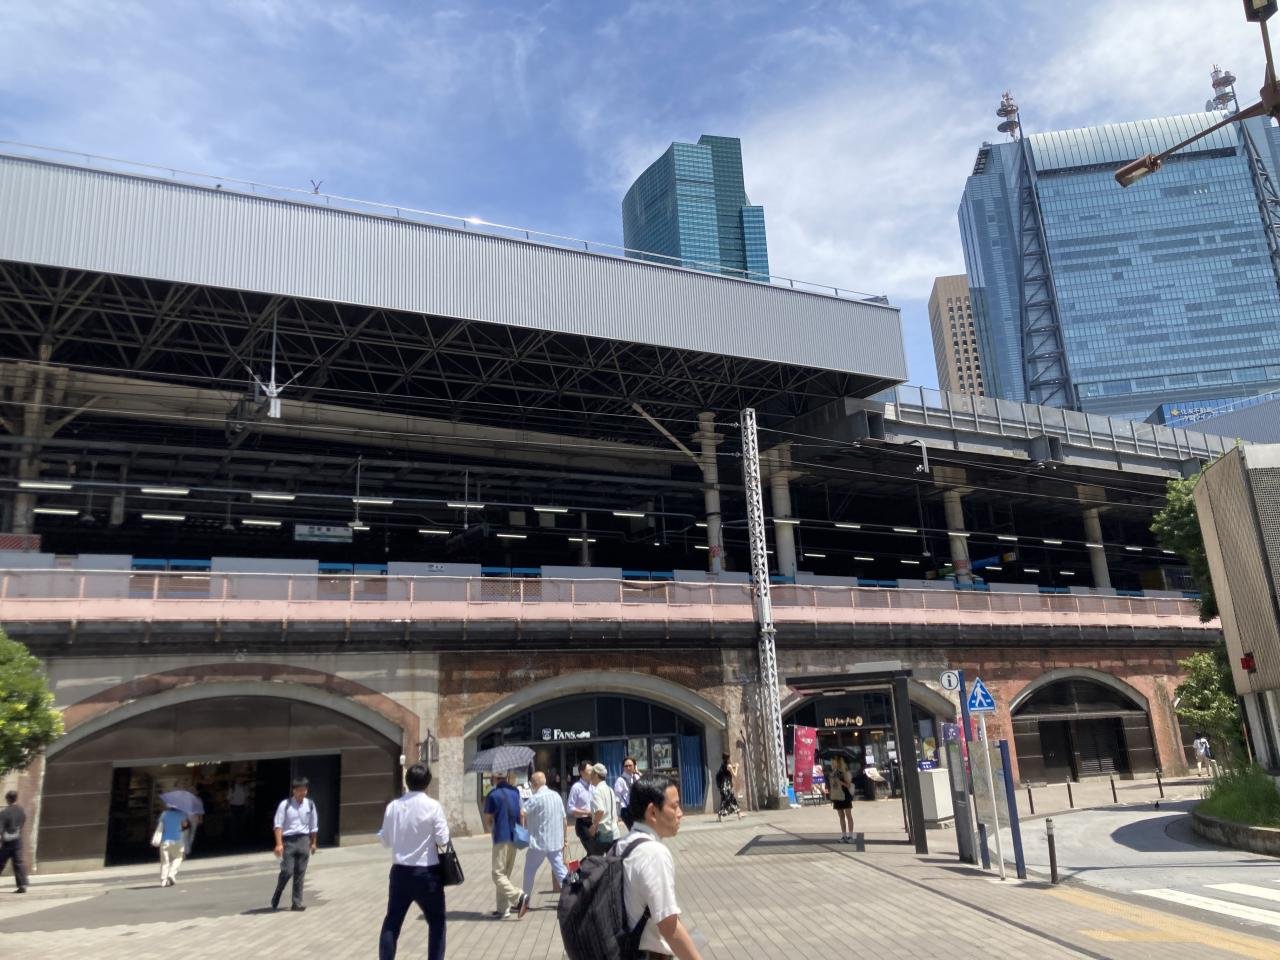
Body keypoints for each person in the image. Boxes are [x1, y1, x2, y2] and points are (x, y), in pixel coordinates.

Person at [614, 776, 704, 960]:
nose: (680, 813)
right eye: (675, 806)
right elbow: (668, 925)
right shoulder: (654, 854)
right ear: (652, 812)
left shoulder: (621, 845)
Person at [377, 763, 449, 960]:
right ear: (427, 783)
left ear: (407, 782)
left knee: (392, 922)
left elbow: (386, 841)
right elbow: (443, 839)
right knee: (436, 922)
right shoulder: (434, 806)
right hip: (427, 872)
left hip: (400, 872)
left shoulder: (393, 806)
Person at [518, 771, 568, 919]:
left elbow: (522, 812)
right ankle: (573, 897)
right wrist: (565, 838)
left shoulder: (536, 798)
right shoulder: (556, 796)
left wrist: (523, 829)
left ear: (533, 784)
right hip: (555, 841)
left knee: (529, 872)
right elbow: (564, 819)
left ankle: (525, 900)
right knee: (561, 871)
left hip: (538, 843)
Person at [483, 770, 526, 919]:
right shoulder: (515, 792)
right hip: (514, 835)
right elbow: (521, 813)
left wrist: (491, 829)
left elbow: (488, 818)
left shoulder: (492, 795)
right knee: (505, 874)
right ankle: (503, 909)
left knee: (497, 874)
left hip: (500, 836)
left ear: (494, 777)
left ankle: (519, 897)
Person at [271, 776, 319, 911]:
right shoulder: (285, 805)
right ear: (293, 791)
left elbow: (313, 825)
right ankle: (278, 892)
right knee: (287, 871)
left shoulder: (310, 804)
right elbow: (278, 825)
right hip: (289, 841)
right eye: (299, 790)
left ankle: (296, 903)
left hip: (304, 839)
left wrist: (313, 842)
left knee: (300, 872)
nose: (302, 792)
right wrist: (279, 844)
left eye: (304, 790)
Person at [154, 803, 189, 887]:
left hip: (165, 840)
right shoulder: (181, 814)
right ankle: (171, 874)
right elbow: (185, 825)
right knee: (178, 857)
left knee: (165, 861)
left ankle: (163, 880)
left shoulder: (164, 814)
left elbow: (160, 824)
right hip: (177, 840)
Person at [588, 762, 620, 854]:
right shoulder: (609, 789)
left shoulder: (597, 791)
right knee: (612, 862)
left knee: (597, 862)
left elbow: (600, 810)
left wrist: (594, 826)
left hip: (604, 833)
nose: (590, 778)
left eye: (591, 774)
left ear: (596, 775)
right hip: (615, 832)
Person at [1, 790, 29, 893]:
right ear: (16, 798)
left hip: (7, 842)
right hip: (17, 841)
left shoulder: (4, 813)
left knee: (0, 862)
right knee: (18, 863)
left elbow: (1, 828)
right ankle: (22, 885)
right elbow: (22, 823)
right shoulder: (21, 811)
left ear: (7, 799)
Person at [567, 760, 594, 856]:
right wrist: (587, 812)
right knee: (593, 852)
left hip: (594, 822)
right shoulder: (576, 787)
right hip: (583, 824)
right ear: (582, 773)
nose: (592, 773)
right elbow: (570, 808)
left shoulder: (593, 786)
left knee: (595, 852)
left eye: (593, 770)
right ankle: (581, 870)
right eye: (589, 771)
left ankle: (584, 870)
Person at [829, 756, 855, 843]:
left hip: (845, 795)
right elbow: (833, 786)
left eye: (833, 762)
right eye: (832, 763)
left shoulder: (845, 772)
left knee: (848, 815)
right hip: (837, 796)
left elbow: (849, 785)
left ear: (838, 763)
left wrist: (841, 782)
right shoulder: (833, 773)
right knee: (841, 816)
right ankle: (844, 836)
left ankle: (850, 836)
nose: (832, 764)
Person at [614, 757, 639, 829]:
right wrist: (616, 815)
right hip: (626, 810)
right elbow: (617, 798)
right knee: (634, 830)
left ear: (634, 766)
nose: (628, 768)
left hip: (636, 808)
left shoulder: (637, 777)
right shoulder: (620, 780)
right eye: (626, 766)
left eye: (630, 765)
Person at [715, 755, 741, 822]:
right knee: (729, 799)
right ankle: (738, 814)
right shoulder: (728, 766)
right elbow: (734, 775)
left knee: (726, 800)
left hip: (724, 786)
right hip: (727, 786)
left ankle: (720, 816)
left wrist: (734, 766)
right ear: (728, 758)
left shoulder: (723, 765)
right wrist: (737, 767)